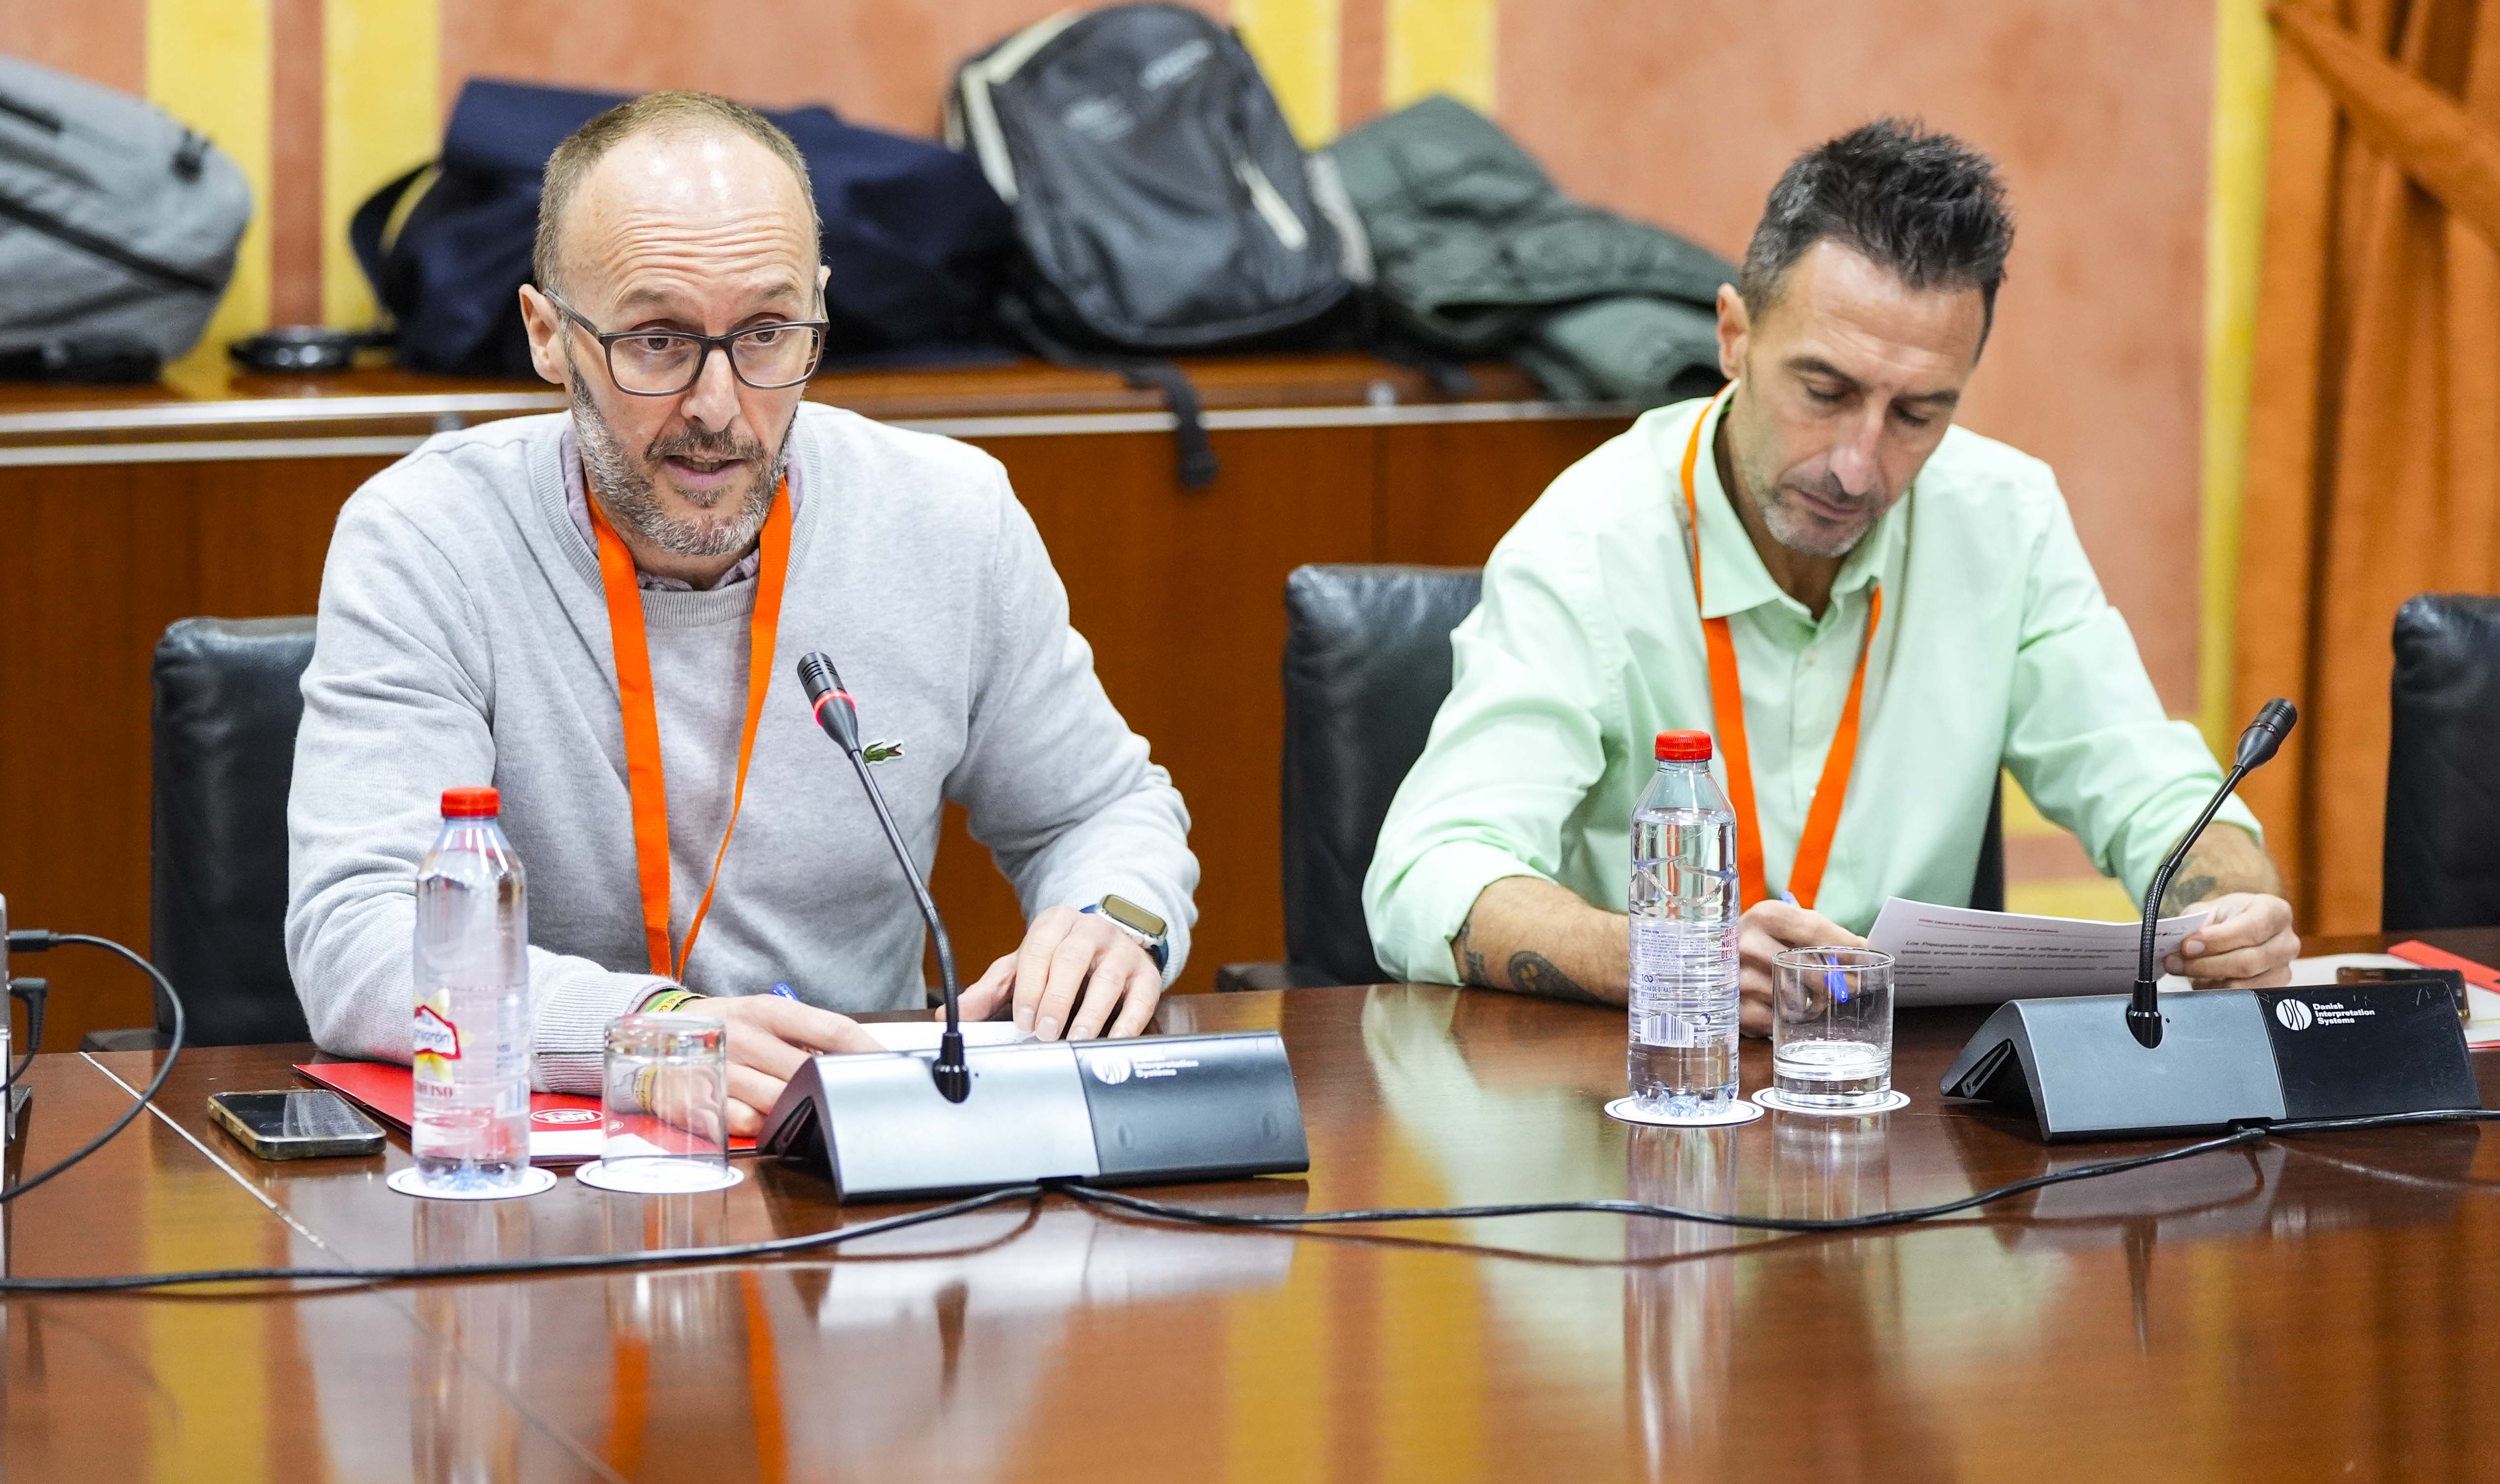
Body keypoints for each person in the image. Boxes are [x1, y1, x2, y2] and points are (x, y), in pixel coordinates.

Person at [287, 91, 1196, 1131]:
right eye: (660, 341)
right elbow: (358, 935)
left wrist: (1112, 917)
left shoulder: (950, 517)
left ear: (819, 308)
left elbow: (1101, 812)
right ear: (548, 335)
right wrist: (649, 1031)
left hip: (852, 1164)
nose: (719, 407)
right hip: (536, 1189)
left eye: (767, 333)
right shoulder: (429, 536)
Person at [1363, 118, 2297, 1029]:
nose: (1858, 466)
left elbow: (2153, 793)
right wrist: (1673, 954)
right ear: (1733, 337)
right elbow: (1430, 873)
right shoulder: (1588, 540)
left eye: (1918, 414)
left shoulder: (2004, 518)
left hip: (1900, 1105)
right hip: (1641, 1099)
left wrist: (2235, 906)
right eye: (1826, 392)